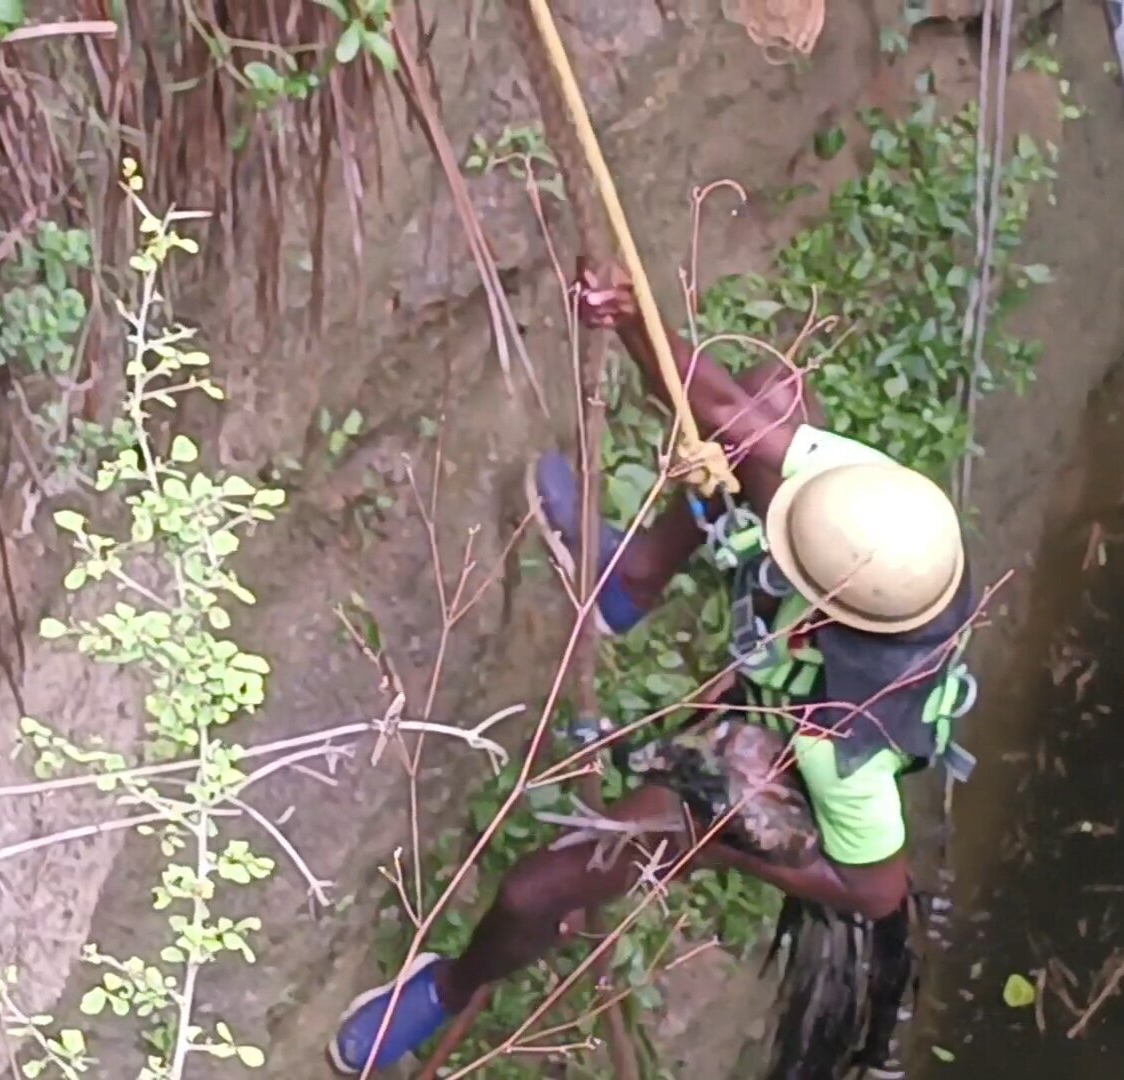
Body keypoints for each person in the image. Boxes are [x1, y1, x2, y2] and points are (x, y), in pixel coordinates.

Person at [329, 262, 980, 1077]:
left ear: (820, 614)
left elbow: (874, 892)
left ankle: (448, 989)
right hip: (803, 674)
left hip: (770, 773)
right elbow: (722, 414)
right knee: (769, 396)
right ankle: (633, 576)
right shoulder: (872, 509)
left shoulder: (840, 745)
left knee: (537, 891)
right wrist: (634, 322)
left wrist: (723, 840)